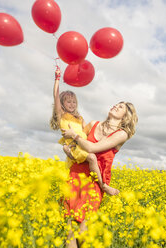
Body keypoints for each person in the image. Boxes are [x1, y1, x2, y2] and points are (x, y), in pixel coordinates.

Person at [62, 101, 138, 248]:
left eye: (120, 106)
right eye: (116, 104)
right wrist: (68, 148)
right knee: (70, 227)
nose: (116, 106)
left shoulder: (121, 134)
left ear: (126, 116)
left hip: (96, 181)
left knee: (83, 231)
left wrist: (76, 137)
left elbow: (92, 147)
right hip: (77, 174)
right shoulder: (93, 124)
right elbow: (73, 145)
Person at [50, 67, 119, 195]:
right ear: (62, 103)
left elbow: (85, 133)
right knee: (92, 158)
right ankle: (104, 186)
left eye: (74, 101)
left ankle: (98, 183)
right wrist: (57, 79)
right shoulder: (62, 115)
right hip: (74, 147)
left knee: (95, 156)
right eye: (68, 101)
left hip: (81, 144)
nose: (72, 104)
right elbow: (55, 95)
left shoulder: (80, 118)